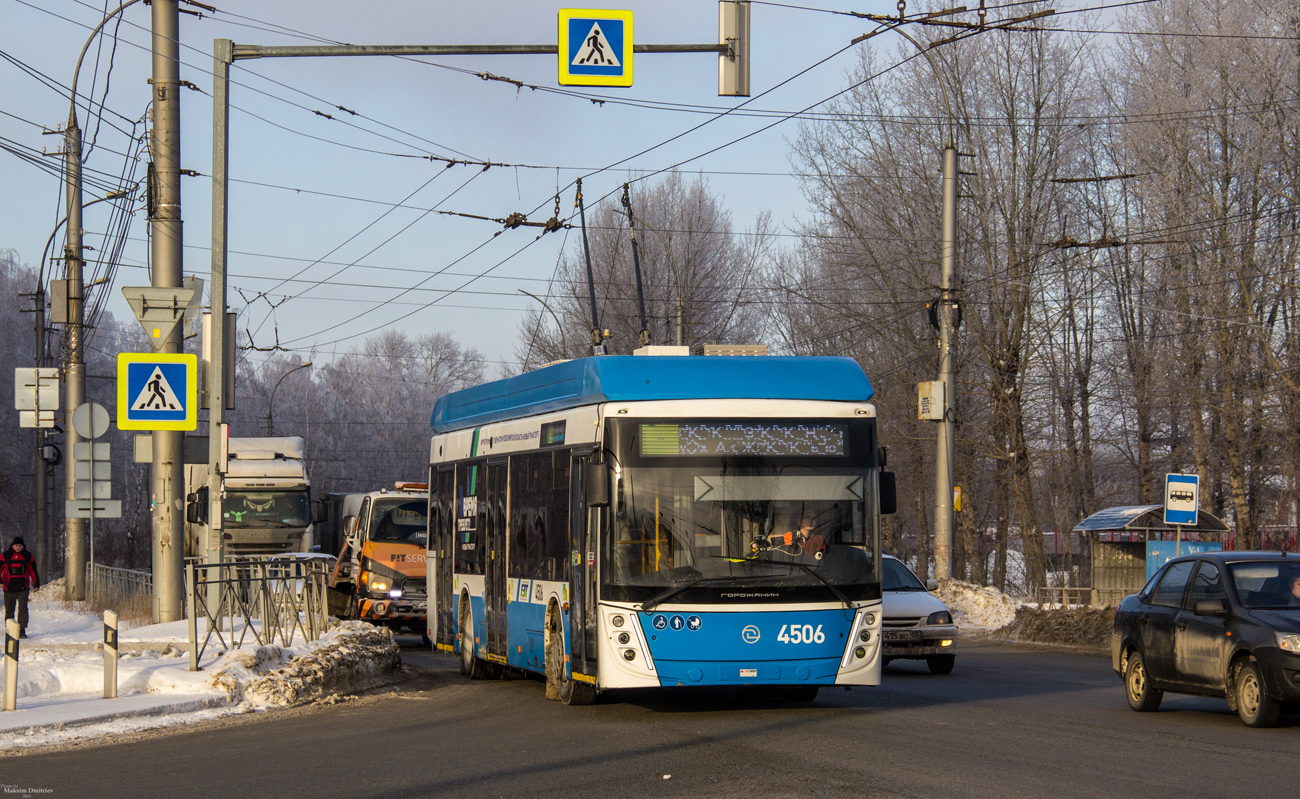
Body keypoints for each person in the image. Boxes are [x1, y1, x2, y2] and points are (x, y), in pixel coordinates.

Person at [1, 537, 40, 638]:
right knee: (9, 609)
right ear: (12, 546)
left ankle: (22, 630)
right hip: (8, 588)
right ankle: (10, 630)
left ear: (23, 546)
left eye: (20, 546)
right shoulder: (5, 555)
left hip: (23, 588)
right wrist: (0, 582)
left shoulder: (28, 556)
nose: (18, 548)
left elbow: (33, 571)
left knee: (23, 609)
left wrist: (36, 584)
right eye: (16, 546)